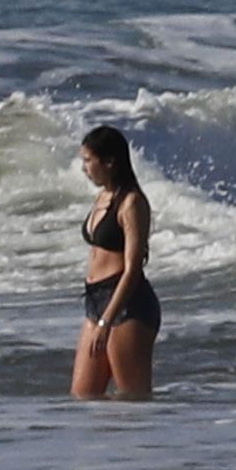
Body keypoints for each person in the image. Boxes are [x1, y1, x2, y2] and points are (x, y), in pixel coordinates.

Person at [71, 126, 160, 399]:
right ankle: (103, 443)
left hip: (127, 304)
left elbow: (133, 269)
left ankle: (143, 442)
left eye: (88, 160)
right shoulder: (102, 197)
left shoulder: (131, 202)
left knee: (133, 399)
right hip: (95, 300)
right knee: (83, 396)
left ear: (109, 162)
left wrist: (106, 321)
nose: (83, 168)